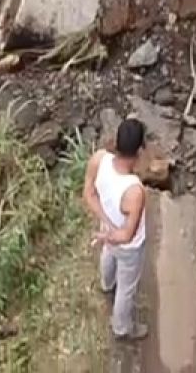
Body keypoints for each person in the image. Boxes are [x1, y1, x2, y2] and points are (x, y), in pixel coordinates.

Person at [83, 118, 149, 340]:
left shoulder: (99, 159)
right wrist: (113, 233)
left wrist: (106, 226)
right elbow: (128, 234)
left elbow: (89, 193)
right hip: (129, 246)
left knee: (108, 255)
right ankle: (122, 327)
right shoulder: (134, 191)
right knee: (127, 288)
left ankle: (106, 284)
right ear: (139, 151)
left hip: (107, 232)